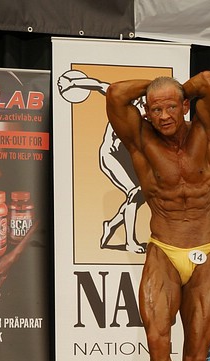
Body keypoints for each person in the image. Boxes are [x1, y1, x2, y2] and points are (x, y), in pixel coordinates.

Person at [106, 71, 210, 361]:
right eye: (154, 110)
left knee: (195, 359)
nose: (162, 116)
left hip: (205, 253)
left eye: (170, 107)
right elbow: (115, 93)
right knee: (158, 344)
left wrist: (174, 90)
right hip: (163, 250)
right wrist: (154, 90)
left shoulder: (208, 132)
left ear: (185, 106)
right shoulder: (141, 138)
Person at [57, 71, 147, 253]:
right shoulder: (126, 105)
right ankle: (130, 241)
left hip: (127, 158)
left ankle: (110, 225)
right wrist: (73, 83)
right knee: (134, 192)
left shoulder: (154, 117)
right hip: (110, 156)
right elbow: (100, 85)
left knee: (141, 196)